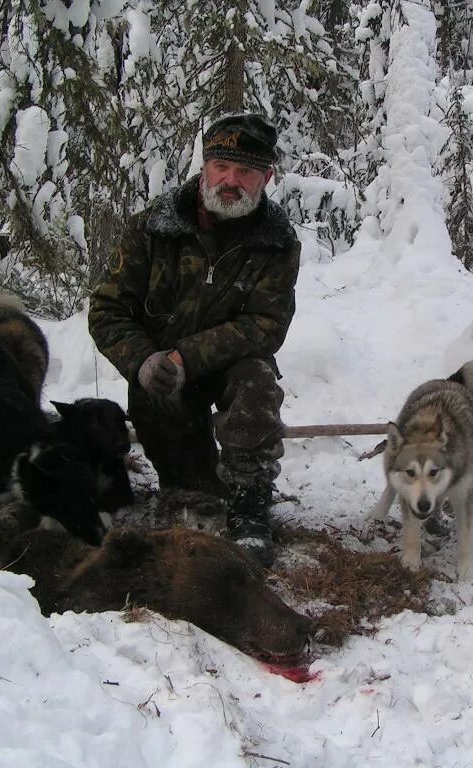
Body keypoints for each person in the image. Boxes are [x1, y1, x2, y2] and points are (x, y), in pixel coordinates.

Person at [88, 113, 301, 567]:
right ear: (203, 168)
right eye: (220, 167)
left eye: (245, 171)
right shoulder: (153, 228)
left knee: (256, 380)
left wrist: (190, 355)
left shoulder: (277, 241)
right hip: (163, 373)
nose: (230, 180)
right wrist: (144, 360)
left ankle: (251, 500)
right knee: (196, 497)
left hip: (230, 368)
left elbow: (267, 324)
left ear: (267, 177)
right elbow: (106, 310)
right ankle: (191, 480)